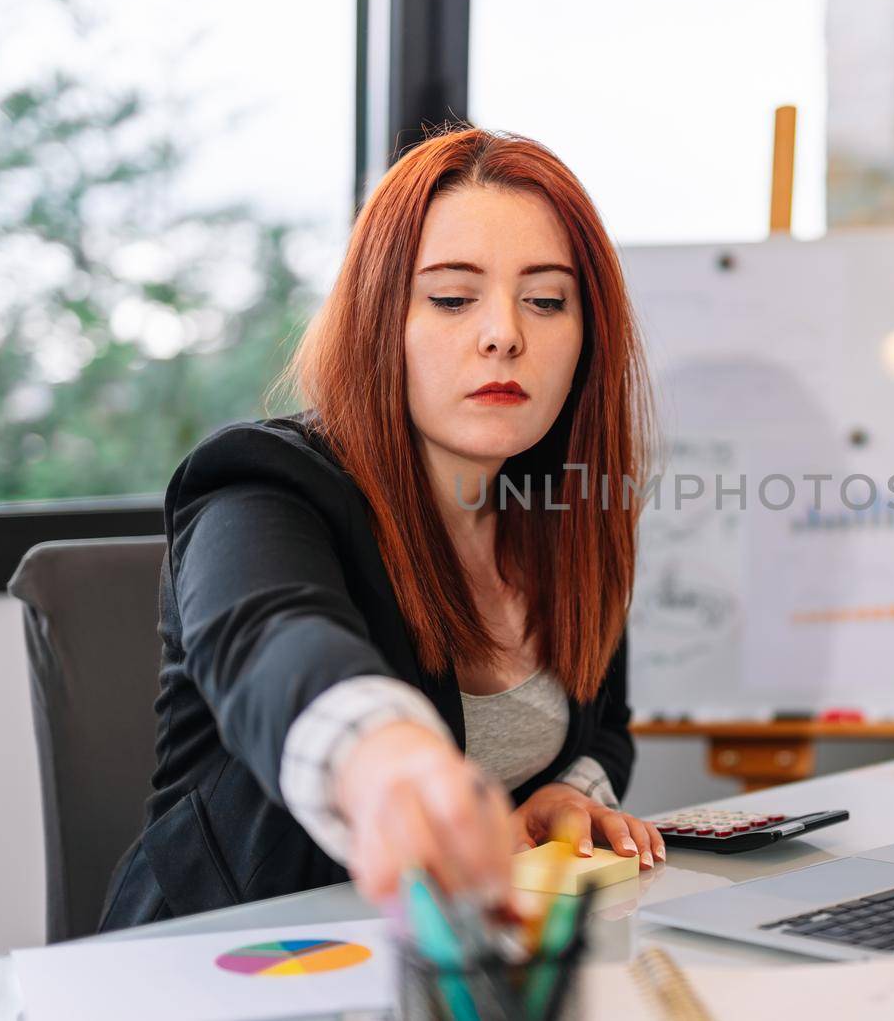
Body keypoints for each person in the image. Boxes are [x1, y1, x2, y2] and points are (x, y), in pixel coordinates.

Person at [100, 126, 662, 929]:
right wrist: (387, 762)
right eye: (451, 297)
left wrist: (566, 795)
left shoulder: (571, 510)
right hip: (224, 970)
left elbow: (606, 726)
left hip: (447, 968)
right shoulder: (262, 480)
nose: (506, 332)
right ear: (379, 318)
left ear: (587, 338)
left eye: (545, 299)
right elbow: (275, 640)